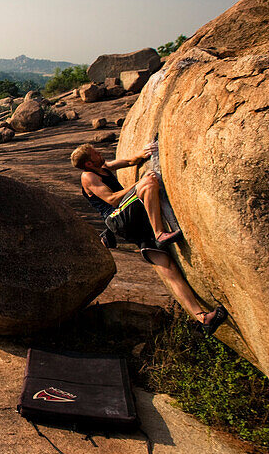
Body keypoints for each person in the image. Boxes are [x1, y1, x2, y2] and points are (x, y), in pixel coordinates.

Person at [70, 142, 228, 334]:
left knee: (167, 267)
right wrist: (139, 184)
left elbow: (128, 161)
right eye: (95, 153)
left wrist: (144, 152)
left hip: (131, 221)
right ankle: (160, 233)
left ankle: (202, 317)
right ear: (88, 163)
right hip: (118, 218)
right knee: (148, 183)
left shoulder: (102, 167)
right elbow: (111, 200)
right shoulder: (88, 176)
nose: (99, 153)